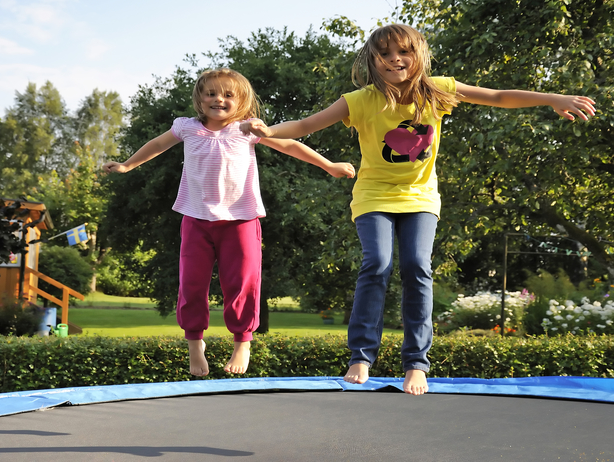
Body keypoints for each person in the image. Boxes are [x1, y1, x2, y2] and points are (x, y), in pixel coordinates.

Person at [240, 24, 596, 395]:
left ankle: (416, 364)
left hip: (420, 196)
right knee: (377, 262)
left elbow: (498, 96)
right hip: (374, 194)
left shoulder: (438, 90)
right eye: (385, 54)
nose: (395, 59)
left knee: (416, 265)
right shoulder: (359, 100)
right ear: (373, 61)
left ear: (418, 55)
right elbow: (306, 124)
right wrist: (267, 131)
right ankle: (361, 356)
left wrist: (551, 97)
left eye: (403, 52)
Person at [103, 68, 355, 377]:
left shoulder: (247, 129)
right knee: (191, 283)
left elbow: (289, 144)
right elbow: (157, 145)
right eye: (210, 93)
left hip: (240, 219)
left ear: (242, 102)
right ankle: (195, 343)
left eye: (227, 95)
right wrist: (128, 164)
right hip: (196, 218)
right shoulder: (187, 128)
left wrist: (328, 165)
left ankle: (242, 342)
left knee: (243, 283)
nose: (218, 99)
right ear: (199, 98)